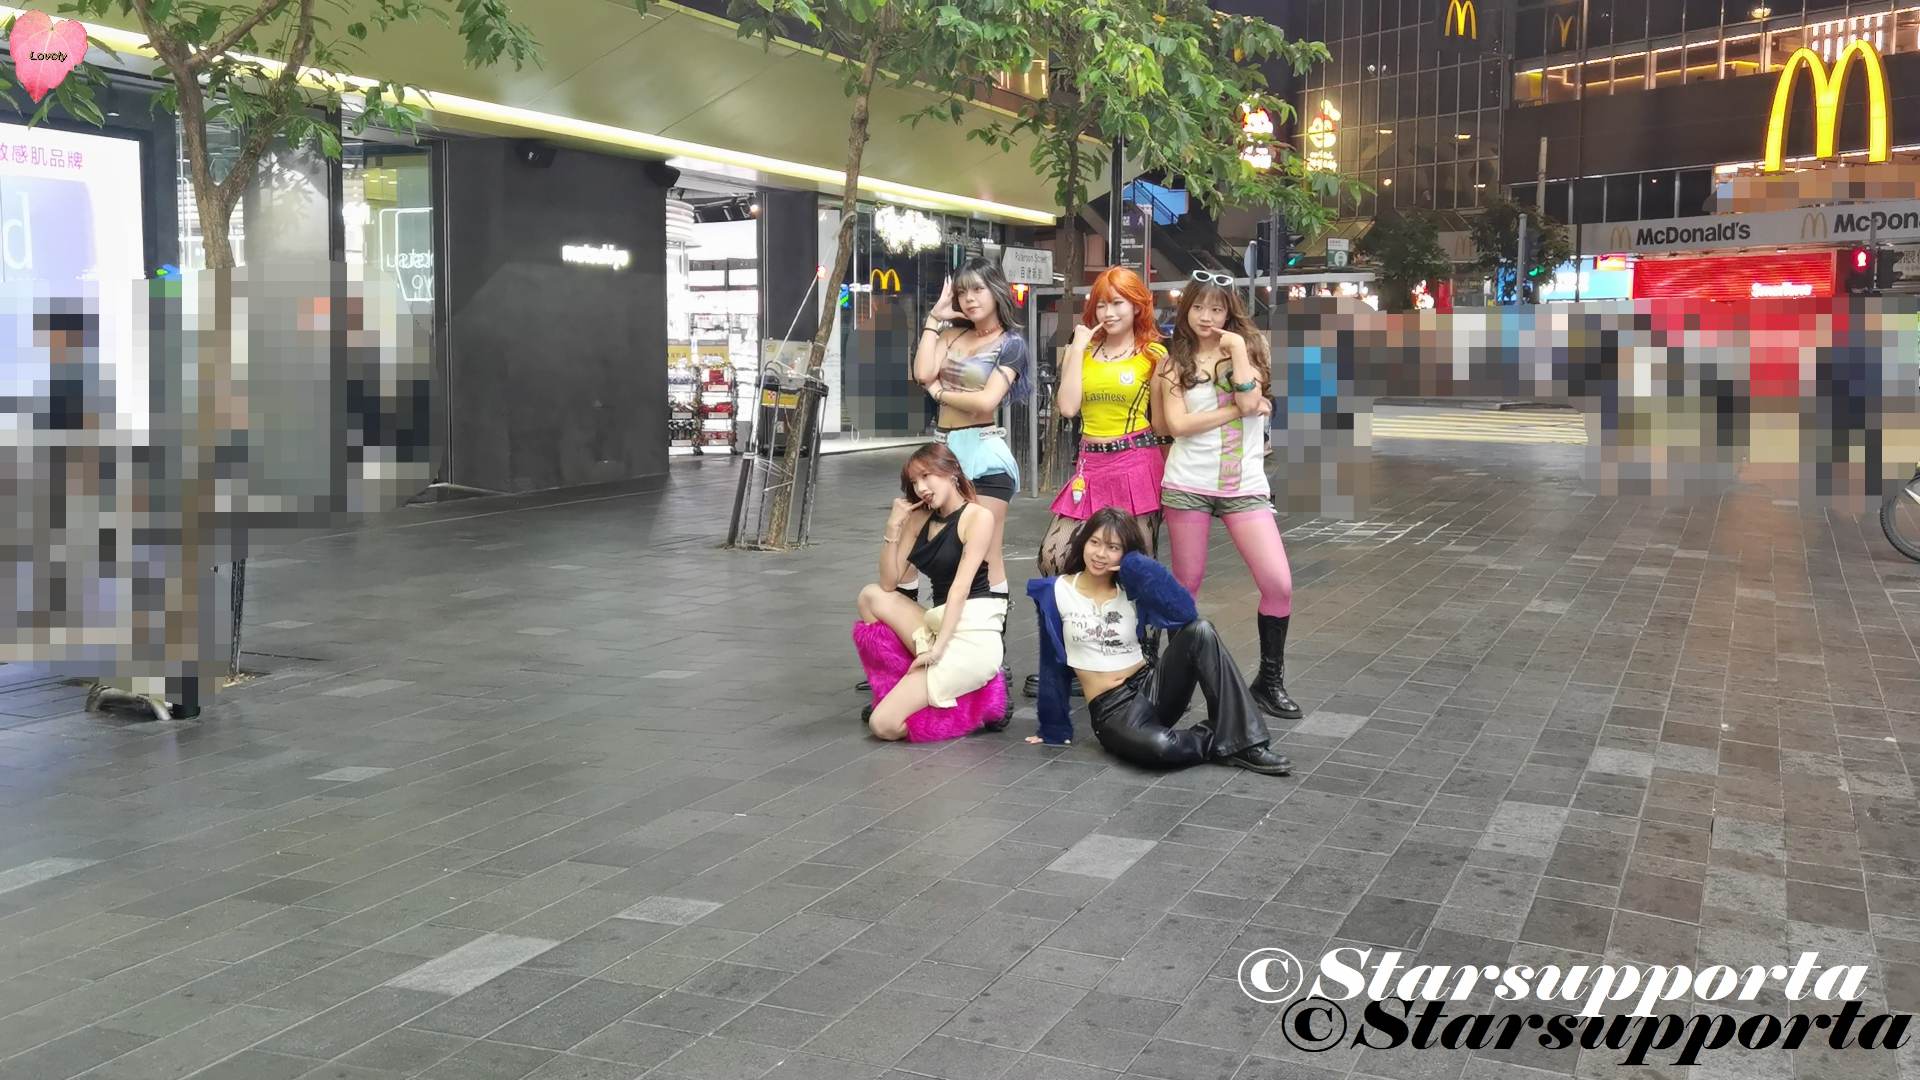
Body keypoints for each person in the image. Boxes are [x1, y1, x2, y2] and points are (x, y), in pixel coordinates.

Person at [1024, 508, 1291, 774]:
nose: (1100, 554)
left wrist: (1138, 567)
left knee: (1201, 631)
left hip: (1151, 687)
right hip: (1112, 710)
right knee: (1161, 747)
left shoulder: (1130, 586)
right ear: (1083, 543)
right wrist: (1053, 727)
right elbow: (1051, 662)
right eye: (1095, 542)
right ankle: (1223, 738)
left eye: (1113, 547)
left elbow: (1185, 614)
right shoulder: (1056, 591)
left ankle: (1248, 744)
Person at [1154, 273, 1303, 720]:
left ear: (1229, 312)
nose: (1206, 317)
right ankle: (1177, 683)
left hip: (1244, 486)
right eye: (1199, 307)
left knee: (1278, 583)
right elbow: (1177, 426)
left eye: (1217, 308)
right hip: (1188, 483)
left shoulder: (1250, 349)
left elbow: (1254, 400)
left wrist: (1237, 348)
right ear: (1186, 310)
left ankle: (1269, 682)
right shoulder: (1172, 362)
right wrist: (1236, 409)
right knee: (1186, 587)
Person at [1028, 266, 1169, 697]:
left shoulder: (1154, 354)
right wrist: (1076, 348)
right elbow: (1068, 407)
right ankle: (1075, 654)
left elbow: (1164, 422)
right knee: (1054, 557)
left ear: (1137, 306)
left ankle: (1141, 661)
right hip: (1090, 465)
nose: (1109, 312)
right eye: (1102, 304)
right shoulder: (1084, 351)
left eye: (1118, 303)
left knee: (1135, 565)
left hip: (1137, 461)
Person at [912, 256, 1030, 714]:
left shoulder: (1011, 343)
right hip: (944, 454)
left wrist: (940, 394)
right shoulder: (951, 335)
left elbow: (985, 400)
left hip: (983, 453)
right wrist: (933, 318)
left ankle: (995, 665)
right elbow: (922, 372)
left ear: (996, 291)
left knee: (984, 556)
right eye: (962, 291)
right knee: (933, 552)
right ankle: (942, 649)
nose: (969, 298)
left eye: (978, 289)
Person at [854, 444, 1007, 741]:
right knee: (870, 596)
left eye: (927, 476)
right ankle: (911, 689)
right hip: (939, 623)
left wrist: (938, 650)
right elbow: (889, 583)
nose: (921, 488)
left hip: (971, 632)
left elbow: (960, 589)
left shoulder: (978, 517)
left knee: (883, 724)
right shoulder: (920, 518)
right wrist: (893, 527)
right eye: (914, 481)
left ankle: (969, 707)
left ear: (952, 472)